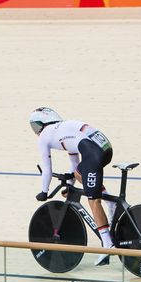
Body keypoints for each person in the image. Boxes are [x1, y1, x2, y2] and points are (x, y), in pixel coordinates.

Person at [30, 107, 116, 266]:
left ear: (42, 124)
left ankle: (107, 243)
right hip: (105, 149)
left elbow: (47, 169)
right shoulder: (63, 130)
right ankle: (111, 203)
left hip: (94, 154)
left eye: (35, 126)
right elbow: (75, 165)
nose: (36, 130)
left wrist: (44, 191)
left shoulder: (45, 136)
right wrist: (70, 185)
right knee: (79, 173)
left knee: (93, 201)